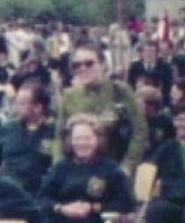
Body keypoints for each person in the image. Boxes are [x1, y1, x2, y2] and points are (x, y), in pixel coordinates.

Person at [53, 42, 147, 175]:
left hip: (114, 169)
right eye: (77, 65)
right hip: (77, 171)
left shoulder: (120, 91)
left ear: (103, 65)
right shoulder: (70, 96)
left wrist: (128, 166)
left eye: (89, 63)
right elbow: (60, 137)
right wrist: (59, 168)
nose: (82, 68)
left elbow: (139, 131)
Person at [141, 103, 185, 223]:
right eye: (180, 120)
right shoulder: (168, 147)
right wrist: (142, 197)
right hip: (169, 199)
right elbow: (149, 169)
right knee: (154, 210)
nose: (182, 124)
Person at [0, 80, 56, 194]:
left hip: (39, 191)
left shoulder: (55, 131)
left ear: (37, 107)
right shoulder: (9, 128)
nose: (16, 107)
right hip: (5, 188)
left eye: (21, 103)